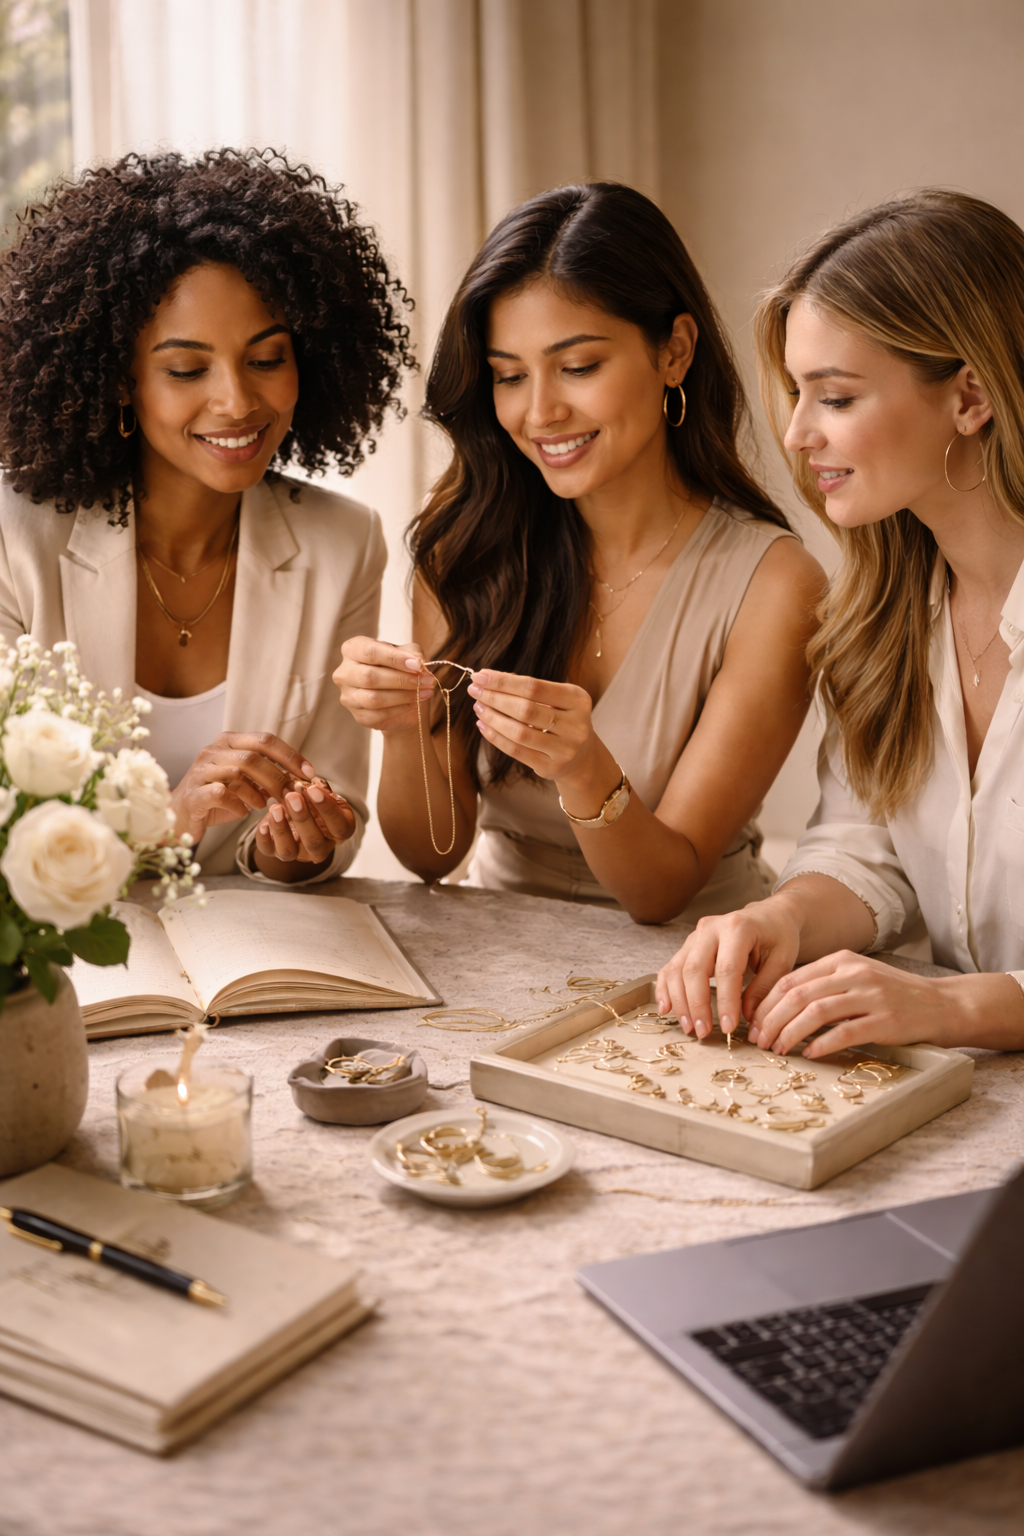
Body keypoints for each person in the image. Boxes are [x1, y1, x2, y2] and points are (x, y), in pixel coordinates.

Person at [335, 183, 823, 924]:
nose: (540, 413)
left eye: (578, 366)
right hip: (499, 966)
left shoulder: (775, 584)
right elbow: (431, 856)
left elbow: (662, 889)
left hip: (697, 971)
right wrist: (409, 727)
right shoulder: (465, 548)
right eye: (508, 376)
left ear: (675, 351)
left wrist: (581, 765)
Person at [657, 189, 1024, 1053]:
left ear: (970, 396)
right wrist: (781, 917)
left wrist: (957, 1009)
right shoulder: (884, 619)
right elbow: (867, 849)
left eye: (835, 397)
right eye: (796, 394)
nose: (794, 435)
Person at [0, 148, 413, 881]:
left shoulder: (343, 544)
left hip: (246, 959)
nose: (237, 401)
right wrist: (172, 817)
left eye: (266, 357)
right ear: (120, 379)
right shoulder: (14, 539)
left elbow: (336, 800)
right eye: (187, 369)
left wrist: (298, 844)